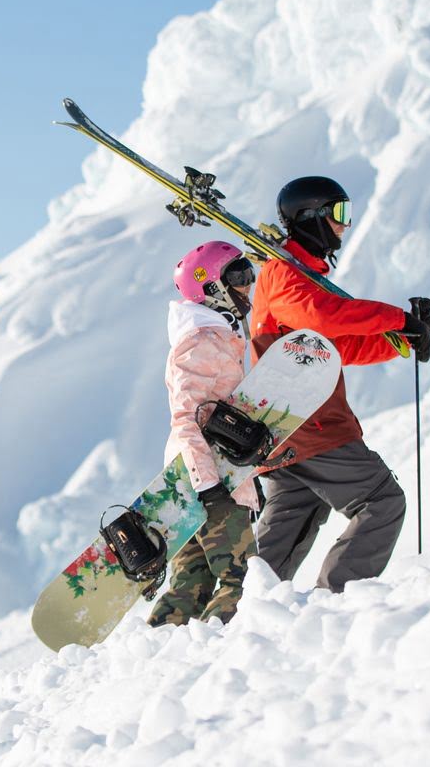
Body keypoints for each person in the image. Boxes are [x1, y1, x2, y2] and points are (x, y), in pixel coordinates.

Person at [248, 175, 430, 593]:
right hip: (308, 424)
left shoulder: (299, 276)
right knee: (381, 500)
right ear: (309, 216)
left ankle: (242, 612)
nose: (345, 225)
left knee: (286, 531)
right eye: (339, 213)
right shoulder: (282, 273)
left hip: (285, 429)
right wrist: (397, 319)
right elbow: (322, 317)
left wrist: (403, 339)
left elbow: (339, 346)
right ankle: (336, 601)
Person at [149, 240, 261, 626]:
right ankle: (219, 656)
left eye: (248, 272)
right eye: (238, 275)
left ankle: (154, 654)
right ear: (211, 286)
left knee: (189, 587)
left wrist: (247, 478)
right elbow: (186, 419)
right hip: (209, 483)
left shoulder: (213, 337)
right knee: (241, 583)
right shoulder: (199, 342)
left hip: (201, 479)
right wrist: (208, 487)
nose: (248, 283)